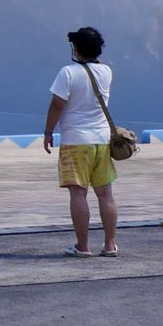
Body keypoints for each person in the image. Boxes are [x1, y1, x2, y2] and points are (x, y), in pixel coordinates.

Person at [42, 25, 118, 257]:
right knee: (105, 193)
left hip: (76, 140)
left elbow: (57, 104)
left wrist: (48, 132)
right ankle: (109, 244)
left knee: (78, 194)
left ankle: (83, 246)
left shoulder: (67, 73)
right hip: (102, 139)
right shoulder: (106, 71)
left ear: (76, 49)